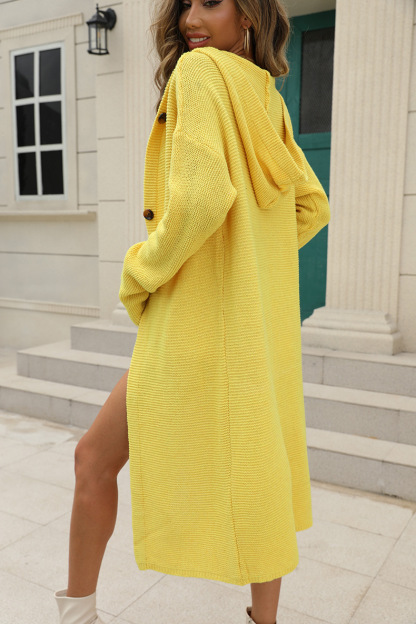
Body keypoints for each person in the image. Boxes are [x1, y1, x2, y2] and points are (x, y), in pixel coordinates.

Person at [54, 0, 331, 623]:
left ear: (249, 14)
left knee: (92, 458)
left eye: (210, 2)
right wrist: (249, 258)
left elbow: (202, 199)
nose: (189, 20)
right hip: (246, 328)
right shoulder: (266, 95)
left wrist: (140, 271)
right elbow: (312, 206)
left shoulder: (200, 73)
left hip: (189, 323)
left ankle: (76, 616)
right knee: (259, 467)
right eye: (185, 5)